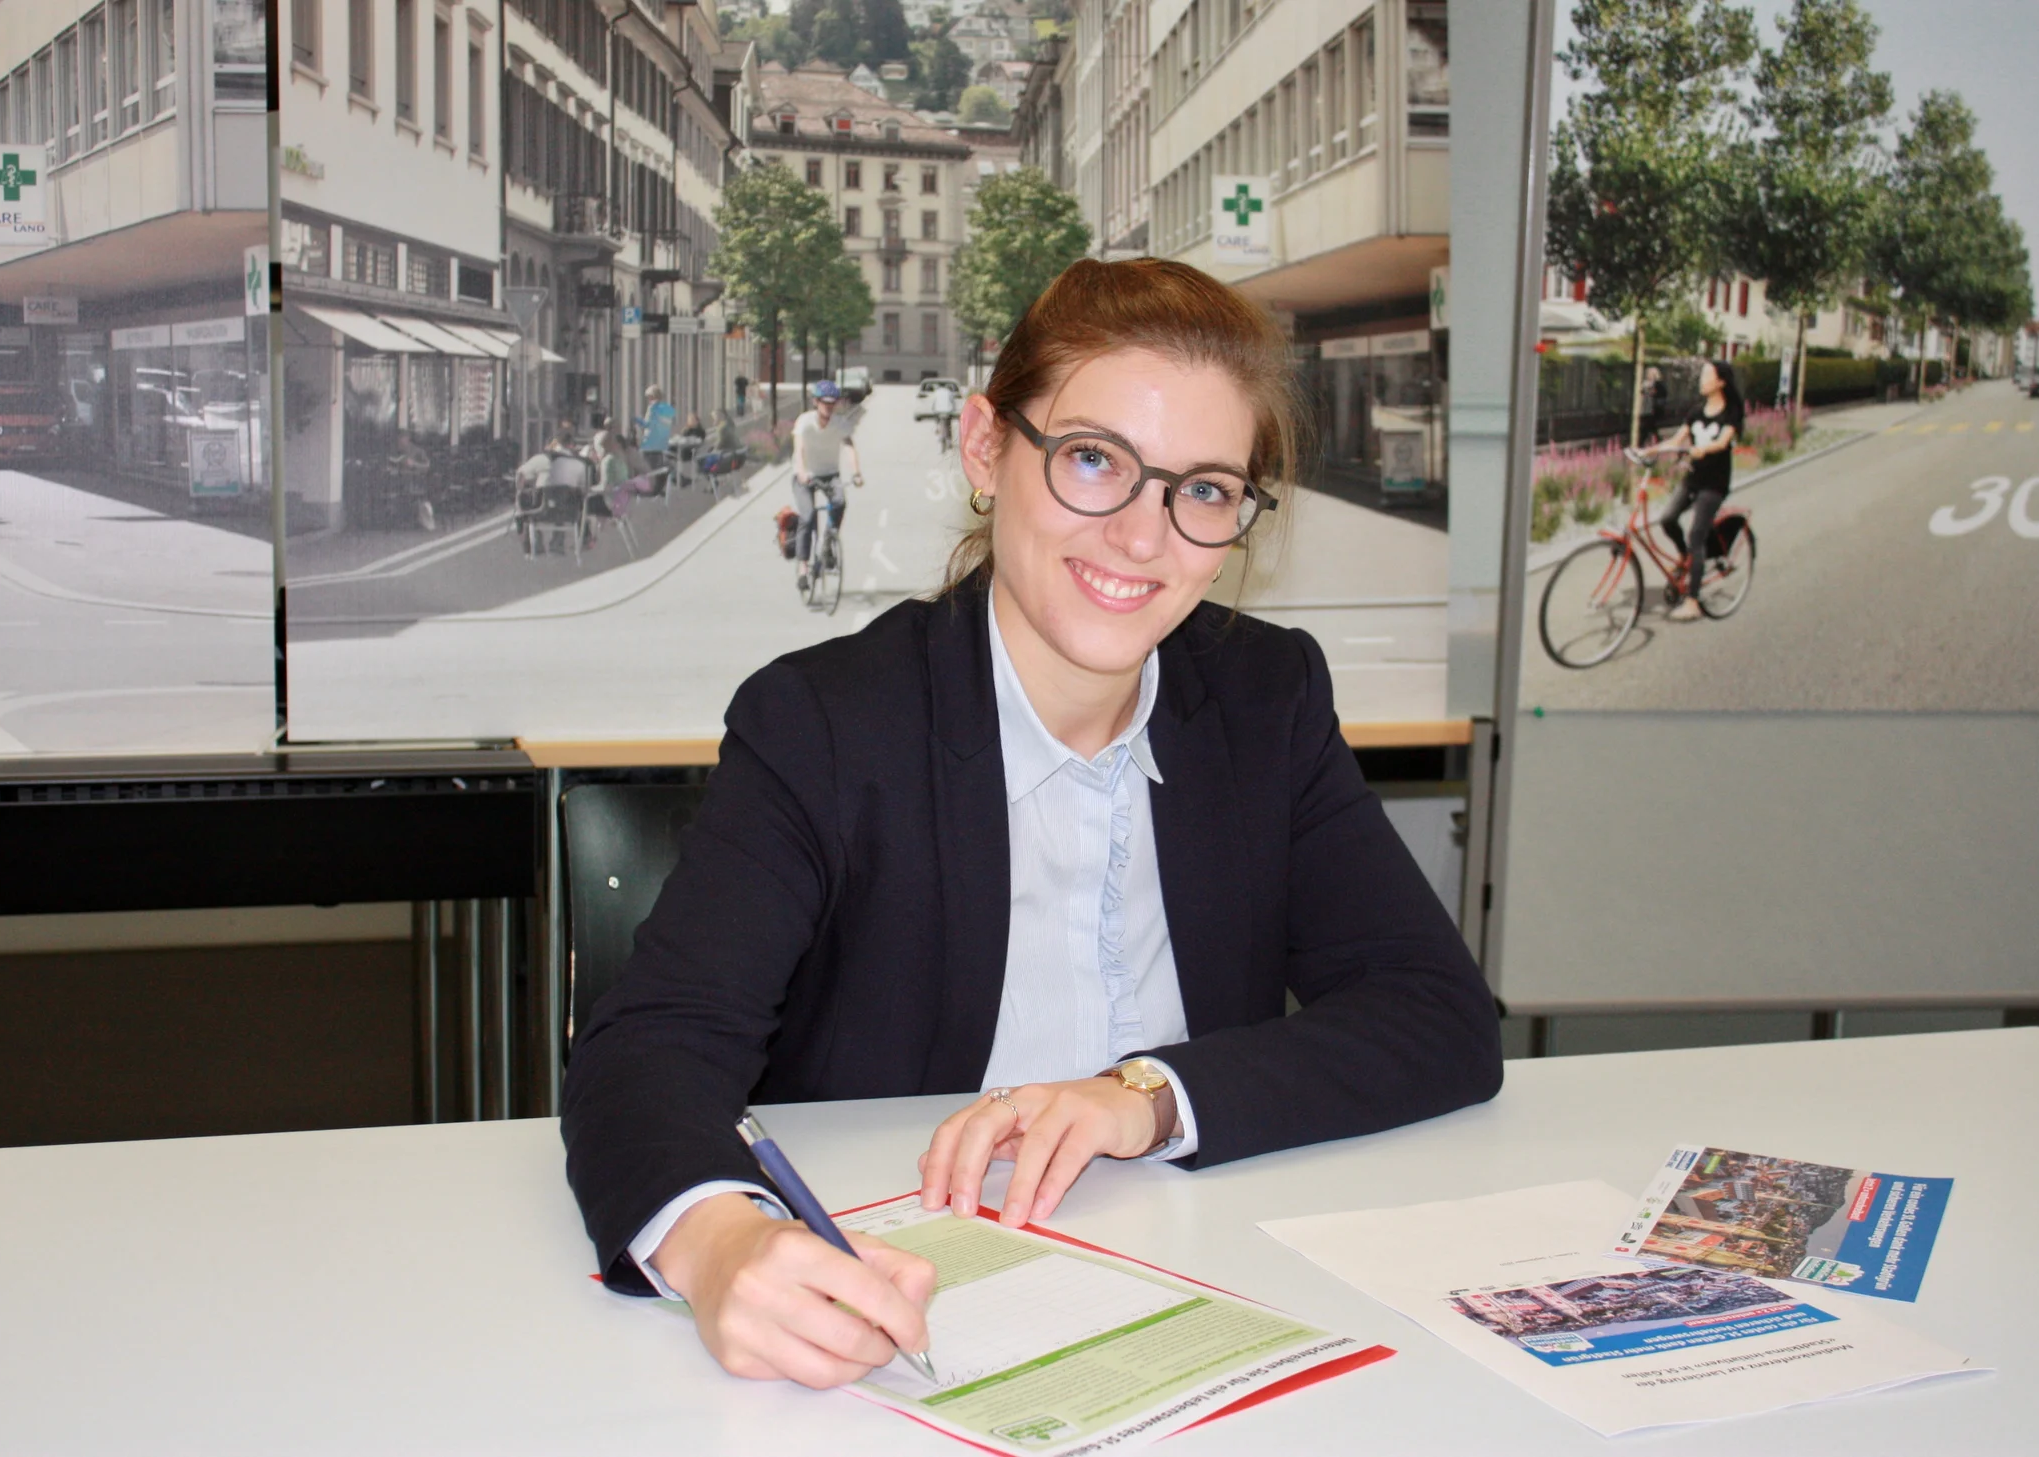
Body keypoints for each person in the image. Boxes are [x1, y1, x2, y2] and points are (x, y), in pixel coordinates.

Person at [560, 257, 1503, 1391]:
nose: (1142, 538)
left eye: (1201, 489)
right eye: (1093, 460)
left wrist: (1142, 1098)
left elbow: (1436, 1013)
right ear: (984, 446)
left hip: (1214, 1290)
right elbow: (647, 1047)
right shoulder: (825, 722)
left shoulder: (1264, 697)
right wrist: (721, 1245)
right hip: (897, 1314)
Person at [1642, 358, 1744, 621]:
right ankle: (1684, 557)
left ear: (1721, 381)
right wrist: (1648, 450)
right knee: (1667, 519)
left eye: (1707, 375)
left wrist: (1704, 448)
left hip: (1714, 484)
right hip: (1692, 479)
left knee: (1697, 535)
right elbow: (1677, 440)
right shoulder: (1696, 411)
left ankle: (1693, 602)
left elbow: (1723, 442)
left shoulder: (1730, 412)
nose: (1701, 379)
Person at [787, 379, 863, 584]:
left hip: (830, 474)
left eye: (832, 403)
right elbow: (799, 448)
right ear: (816, 402)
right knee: (808, 516)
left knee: (840, 502)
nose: (828, 407)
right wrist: (802, 471)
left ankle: (829, 541)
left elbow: (848, 445)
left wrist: (856, 472)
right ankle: (803, 567)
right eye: (824, 402)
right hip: (805, 475)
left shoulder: (840, 424)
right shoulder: (804, 421)